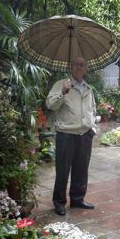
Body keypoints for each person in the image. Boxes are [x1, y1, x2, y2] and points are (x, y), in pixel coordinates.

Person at [46, 56, 97, 216]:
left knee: (81, 169)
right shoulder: (61, 84)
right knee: (63, 170)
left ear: (86, 68)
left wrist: (92, 126)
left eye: (82, 65)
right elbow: (50, 105)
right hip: (66, 134)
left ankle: (77, 199)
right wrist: (63, 91)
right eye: (76, 64)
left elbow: (93, 109)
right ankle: (59, 202)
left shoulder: (88, 88)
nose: (79, 67)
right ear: (71, 67)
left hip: (85, 134)